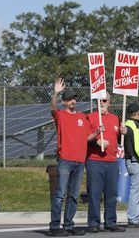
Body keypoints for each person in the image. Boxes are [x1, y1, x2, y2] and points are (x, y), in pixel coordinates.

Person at [48, 78, 99, 237]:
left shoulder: (82, 117)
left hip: (79, 161)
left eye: (74, 99)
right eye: (69, 99)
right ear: (64, 102)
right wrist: (56, 93)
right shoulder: (61, 115)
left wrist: (97, 133)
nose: (73, 101)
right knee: (60, 194)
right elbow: (52, 107)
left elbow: (86, 138)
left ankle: (69, 225)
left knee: (74, 195)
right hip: (65, 160)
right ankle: (55, 226)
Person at [85, 92, 126, 233]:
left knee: (111, 194)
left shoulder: (116, 118)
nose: (101, 103)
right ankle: (94, 223)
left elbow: (119, 137)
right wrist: (97, 140)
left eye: (104, 100)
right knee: (95, 194)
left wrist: (123, 132)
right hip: (95, 161)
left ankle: (110, 222)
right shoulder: (90, 117)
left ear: (109, 102)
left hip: (112, 161)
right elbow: (84, 138)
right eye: (98, 100)